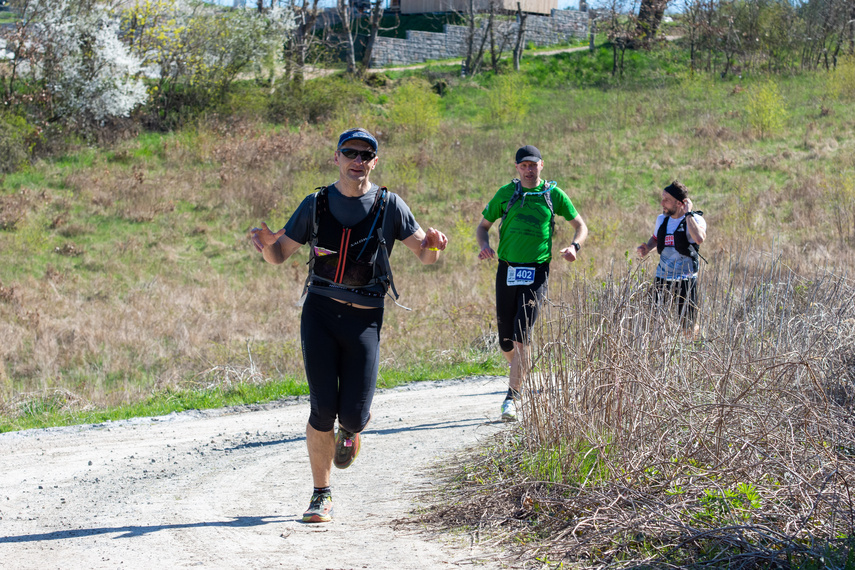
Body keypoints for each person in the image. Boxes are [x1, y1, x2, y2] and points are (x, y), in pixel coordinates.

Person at [250, 128, 448, 524]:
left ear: (374, 162)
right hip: (320, 313)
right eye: (350, 152)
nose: (357, 160)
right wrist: (266, 243)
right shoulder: (315, 204)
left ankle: (353, 430)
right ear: (336, 158)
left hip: (365, 319)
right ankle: (320, 495)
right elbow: (280, 255)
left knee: (353, 415)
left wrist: (434, 246)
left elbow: (424, 257)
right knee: (322, 408)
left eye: (365, 154)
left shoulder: (391, 206)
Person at [475, 145, 588, 422]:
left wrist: (575, 247)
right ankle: (521, 371)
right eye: (523, 165)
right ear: (517, 168)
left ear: (541, 166)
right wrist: (485, 246)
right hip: (507, 270)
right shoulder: (506, 194)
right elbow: (482, 227)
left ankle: (511, 398)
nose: (528, 169)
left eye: (533, 165)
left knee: (521, 335)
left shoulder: (553, 195)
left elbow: (581, 226)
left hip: (537, 272)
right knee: (505, 341)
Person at [636, 180, 707, 337]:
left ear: (680, 203)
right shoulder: (662, 220)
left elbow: (699, 238)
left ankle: (691, 350)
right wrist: (647, 248)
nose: (662, 203)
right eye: (662, 198)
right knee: (654, 320)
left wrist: (688, 214)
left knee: (688, 326)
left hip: (686, 279)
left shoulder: (696, 220)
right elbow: (656, 239)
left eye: (666, 199)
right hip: (663, 277)